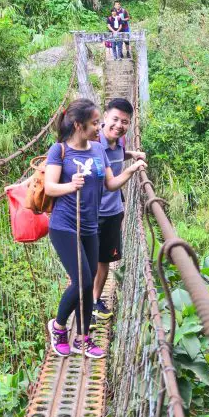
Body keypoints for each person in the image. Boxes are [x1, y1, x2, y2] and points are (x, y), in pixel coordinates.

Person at [44, 98, 146, 358]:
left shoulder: (99, 150)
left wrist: (132, 169)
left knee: (87, 285)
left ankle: (83, 338)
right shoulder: (59, 150)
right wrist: (71, 185)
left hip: (90, 225)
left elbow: (110, 185)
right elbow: (50, 187)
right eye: (94, 123)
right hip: (65, 225)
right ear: (78, 125)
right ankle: (58, 327)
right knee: (83, 280)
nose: (98, 127)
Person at [93, 97, 145, 320]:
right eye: (115, 119)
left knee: (104, 259)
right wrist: (133, 168)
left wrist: (131, 154)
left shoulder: (120, 142)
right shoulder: (92, 144)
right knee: (86, 263)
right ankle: (84, 304)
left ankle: (95, 301)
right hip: (91, 213)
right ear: (104, 117)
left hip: (113, 212)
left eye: (125, 122)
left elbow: (115, 155)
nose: (119, 125)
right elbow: (109, 180)